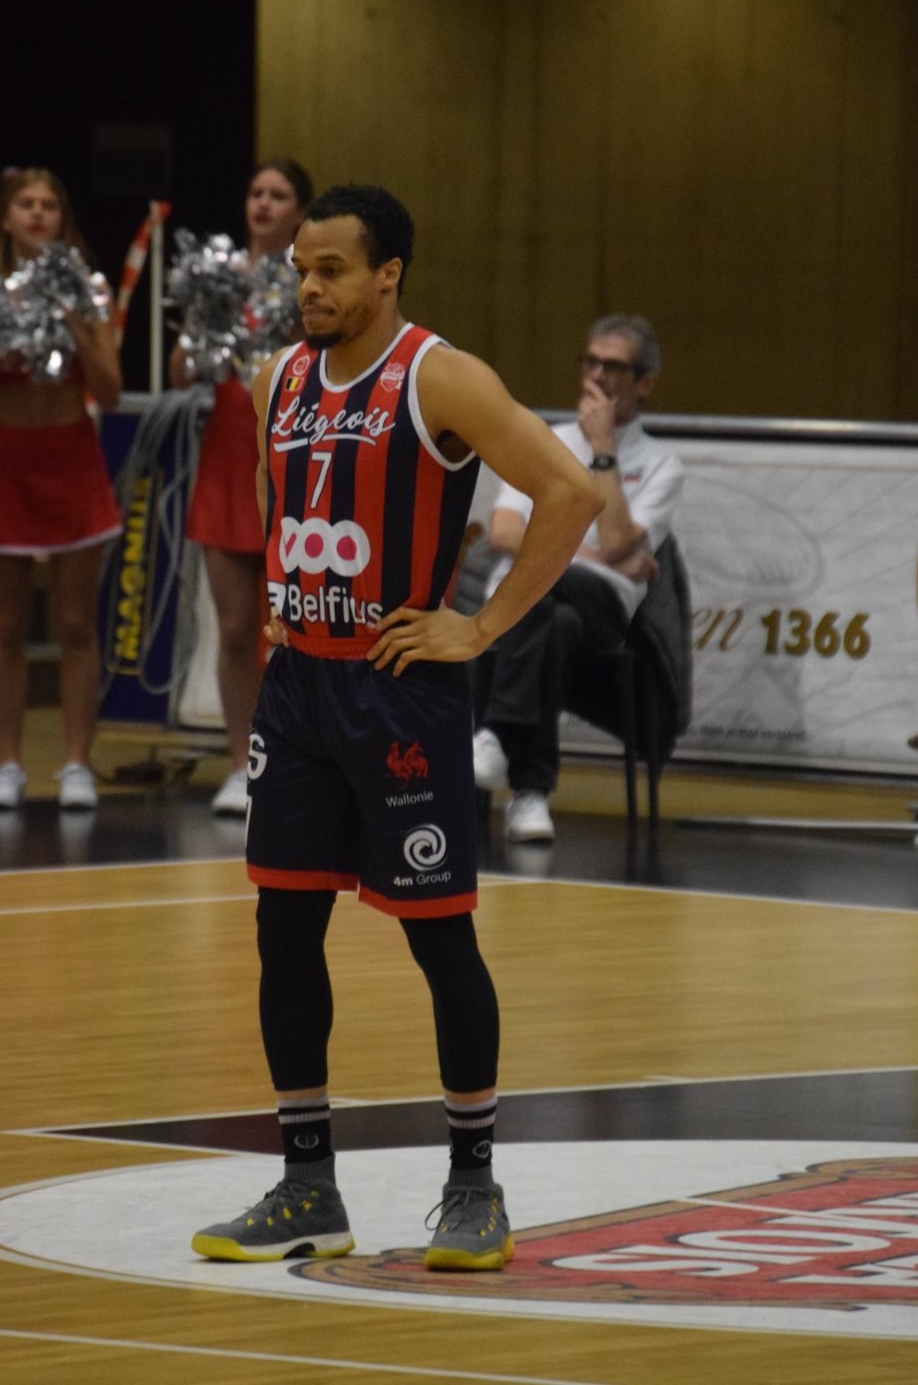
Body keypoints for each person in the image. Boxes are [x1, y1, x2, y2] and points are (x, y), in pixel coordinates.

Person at [191, 185, 601, 1272]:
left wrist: (482, 626)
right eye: (300, 269)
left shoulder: (439, 375)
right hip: (298, 690)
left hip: (399, 690)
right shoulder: (279, 378)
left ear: (388, 274)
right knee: (283, 932)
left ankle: (473, 1186)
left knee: (439, 938)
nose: (309, 287)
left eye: (330, 269)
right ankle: (307, 1188)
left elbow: (571, 491)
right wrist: (285, 598)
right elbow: (281, 501)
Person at [0, 167, 123, 811]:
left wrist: (78, 321)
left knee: (75, 624)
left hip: (72, 461)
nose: (39, 213)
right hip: (6, 466)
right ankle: (7, 765)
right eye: (26, 204)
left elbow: (111, 391)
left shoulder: (87, 286)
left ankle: (76, 764)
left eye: (50, 205)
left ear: (62, 218)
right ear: (6, 217)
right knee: (7, 625)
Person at [473, 314, 685, 842]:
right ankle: (531, 793)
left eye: (613, 366)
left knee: (551, 591)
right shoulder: (543, 440)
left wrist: (602, 448)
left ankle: (497, 733)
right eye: (590, 361)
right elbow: (503, 531)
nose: (596, 375)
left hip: (603, 608)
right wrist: (597, 555)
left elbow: (616, 540)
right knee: (555, 624)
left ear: (644, 382)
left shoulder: (662, 465)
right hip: (529, 599)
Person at [169, 157, 314, 816]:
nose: (263, 204)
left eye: (278, 195)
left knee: (295, 632)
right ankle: (241, 764)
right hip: (228, 459)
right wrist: (202, 316)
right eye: (256, 192)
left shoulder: (311, 281)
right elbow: (181, 373)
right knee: (233, 632)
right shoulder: (220, 279)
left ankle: (296, 763)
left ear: (300, 211)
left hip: (293, 459)